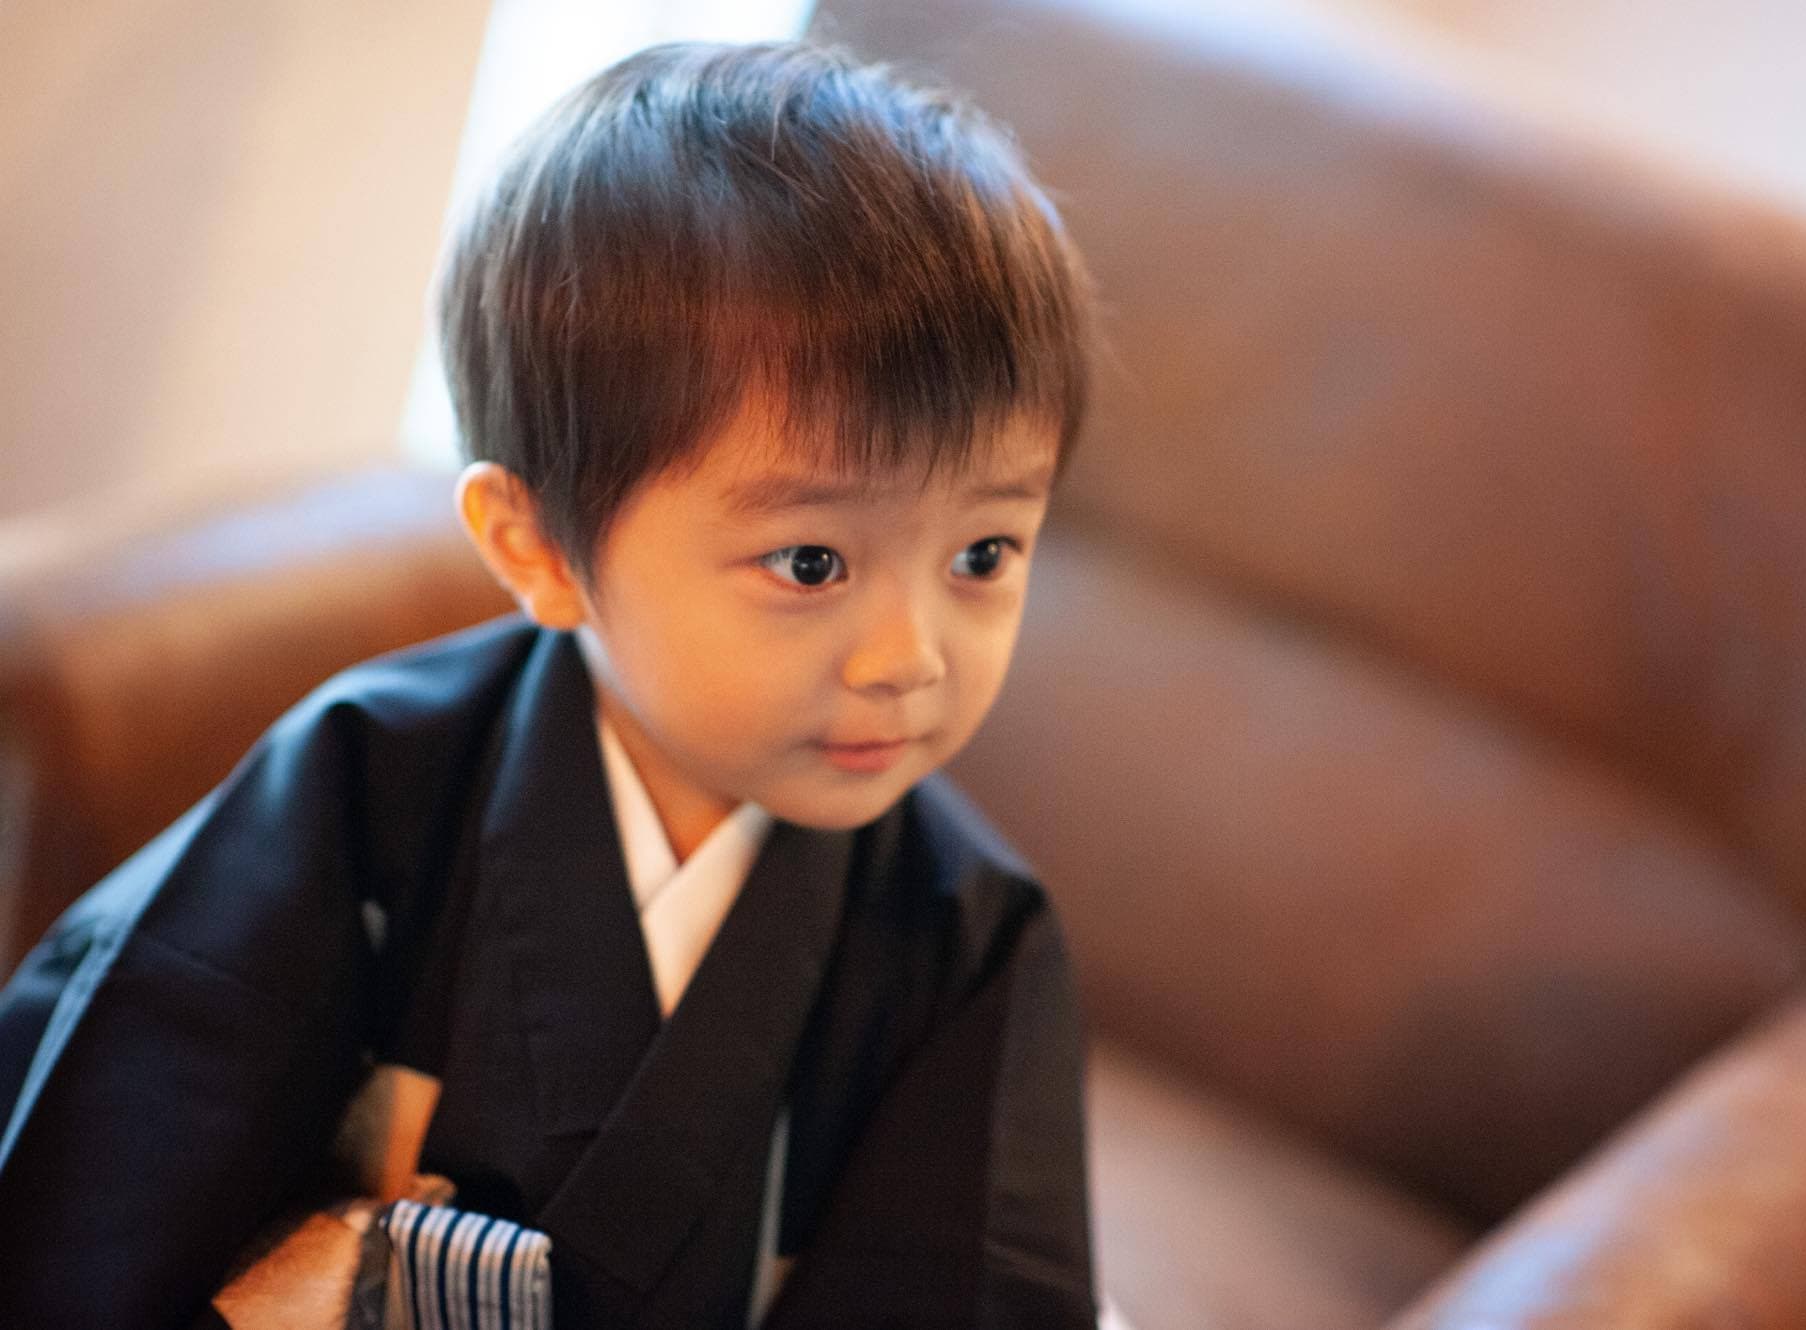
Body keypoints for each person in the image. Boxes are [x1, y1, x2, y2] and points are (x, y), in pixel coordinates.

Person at [0, 40, 1098, 1329]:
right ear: (537, 548)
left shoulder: (969, 944)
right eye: (812, 562)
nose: (909, 657)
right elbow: (103, 1194)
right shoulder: (363, 797)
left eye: (983, 554)